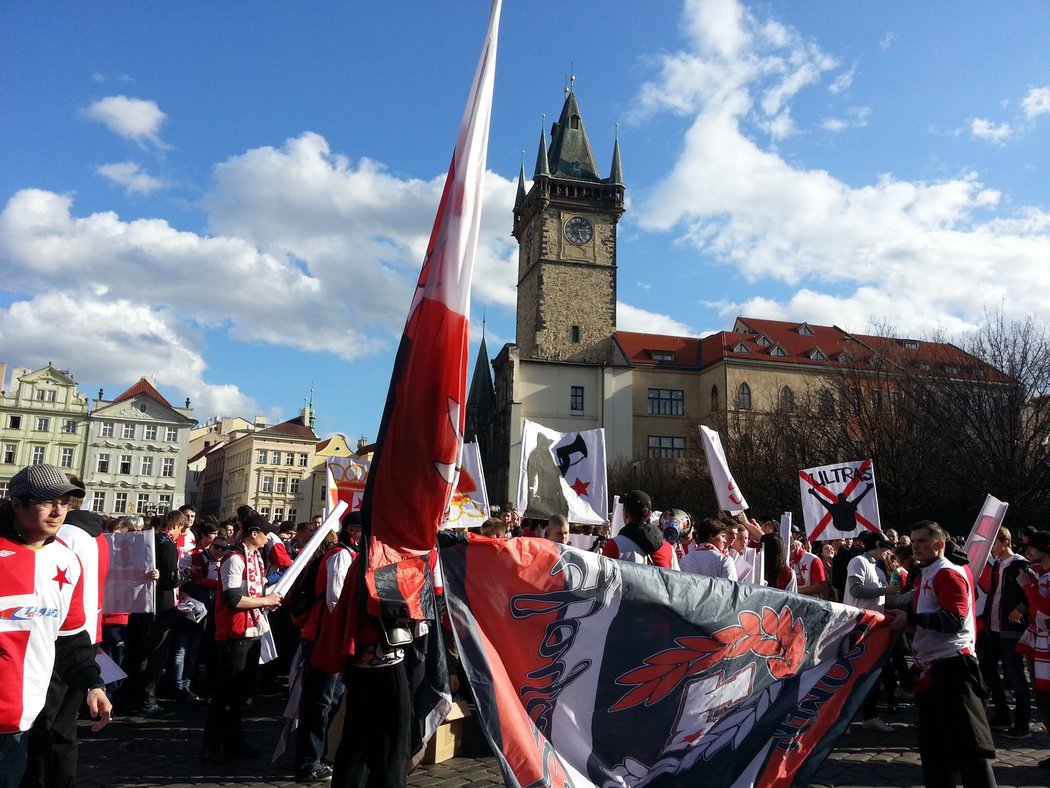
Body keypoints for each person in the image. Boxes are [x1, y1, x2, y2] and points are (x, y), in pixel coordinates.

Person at [0, 465, 111, 787]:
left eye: (64, 501)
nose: (58, 510)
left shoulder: (66, 560)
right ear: (17, 503)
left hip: (23, 718)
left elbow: (71, 637)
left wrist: (93, 683)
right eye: (47, 501)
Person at [908, 521, 997, 786]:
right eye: (913, 541)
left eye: (922, 541)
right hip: (932, 669)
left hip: (954, 669)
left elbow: (954, 619)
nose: (915, 546)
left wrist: (910, 620)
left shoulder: (946, 573)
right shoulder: (925, 572)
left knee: (970, 750)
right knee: (934, 749)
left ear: (939, 544)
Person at [203, 515, 284, 764]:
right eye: (266, 533)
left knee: (242, 694)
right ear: (254, 533)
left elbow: (252, 593)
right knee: (225, 694)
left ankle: (233, 739)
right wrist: (265, 601)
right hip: (235, 635)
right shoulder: (234, 559)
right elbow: (233, 599)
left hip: (252, 631)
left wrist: (265, 602)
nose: (269, 538)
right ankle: (212, 745)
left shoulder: (254, 558)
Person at [293, 512, 356, 782]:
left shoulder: (348, 553)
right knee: (319, 702)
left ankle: (320, 755)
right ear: (354, 531)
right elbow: (335, 599)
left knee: (331, 699)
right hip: (324, 637)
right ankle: (309, 761)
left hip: (331, 637)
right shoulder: (341, 555)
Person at [119, 509, 189, 716]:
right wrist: (187, 574)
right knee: (155, 655)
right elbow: (170, 579)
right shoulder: (167, 544)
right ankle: (147, 700)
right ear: (176, 526)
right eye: (181, 529)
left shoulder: (147, 541)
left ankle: (130, 697)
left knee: (138, 653)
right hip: (161, 607)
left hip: (141, 604)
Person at [978, 527, 1031, 738]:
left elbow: (1033, 592)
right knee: (988, 671)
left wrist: (1021, 609)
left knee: (1016, 677)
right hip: (993, 628)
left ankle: (1022, 724)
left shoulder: (1019, 564)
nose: (989, 547)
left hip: (1011, 630)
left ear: (1004, 541)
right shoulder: (998, 564)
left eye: (993, 542)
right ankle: (1001, 714)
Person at [843, 530, 896, 733]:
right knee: (853, 674)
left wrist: (908, 596)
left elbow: (884, 601)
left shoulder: (880, 570)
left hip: (875, 628)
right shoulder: (858, 562)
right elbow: (856, 590)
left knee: (872, 673)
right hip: (857, 626)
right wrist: (886, 591)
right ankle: (843, 719)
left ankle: (870, 715)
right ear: (876, 545)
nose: (888, 552)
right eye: (885, 547)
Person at [1016, 529, 1050, 767]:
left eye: (1031, 547)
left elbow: (1046, 608)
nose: (1027, 552)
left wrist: (1028, 587)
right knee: (1042, 698)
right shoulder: (1039, 573)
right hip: (1038, 641)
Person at [602, 490, 677, 569]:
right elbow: (677, 579)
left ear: (626, 515)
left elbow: (605, 578)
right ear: (650, 515)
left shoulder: (614, 545)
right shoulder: (668, 549)